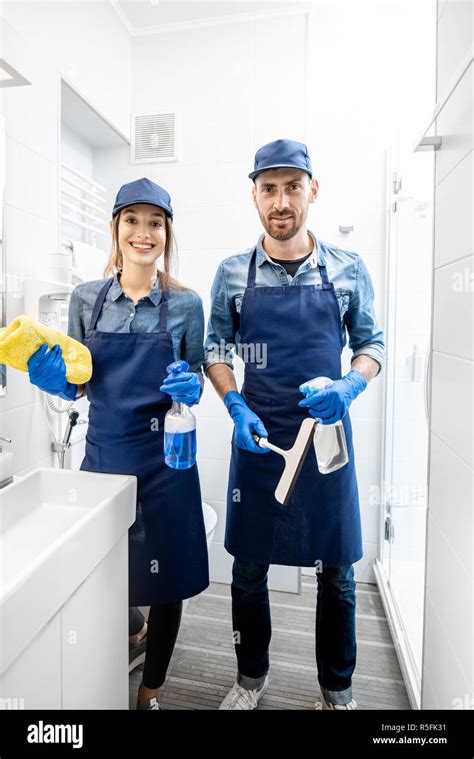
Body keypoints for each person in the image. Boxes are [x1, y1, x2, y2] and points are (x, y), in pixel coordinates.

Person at [204, 140, 385, 710]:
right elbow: (216, 347)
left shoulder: (347, 268)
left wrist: (349, 387)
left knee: (338, 573)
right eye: (268, 188)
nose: (280, 201)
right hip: (259, 437)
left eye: (292, 187)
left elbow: (372, 343)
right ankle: (250, 680)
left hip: (327, 438)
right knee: (249, 568)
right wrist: (234, 403)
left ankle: (338, 691)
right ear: (254, 194)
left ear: (313, 189)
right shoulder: (233, 273)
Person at [27, 177, 209, 710]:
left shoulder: (186, 304)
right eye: (132, 220)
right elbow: (79, 378)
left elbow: (195, 374)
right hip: (104, 457)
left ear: (167, 233)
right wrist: (56, 381)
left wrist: (191, 385)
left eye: (155, 223)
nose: (143, 232)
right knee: (104, 569)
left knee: (167, 577)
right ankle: (129, 634)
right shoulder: (87, 299)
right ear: (115, 228)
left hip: (166, 459)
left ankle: (149, 691)